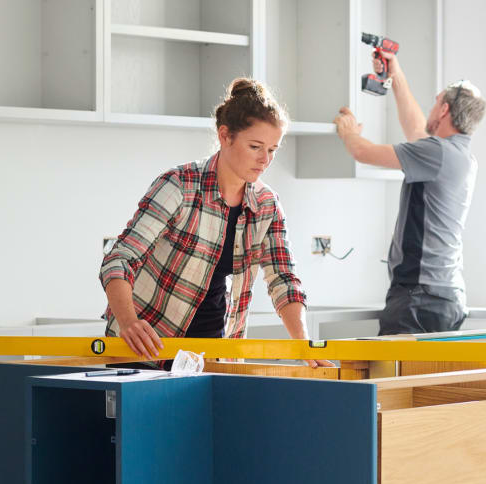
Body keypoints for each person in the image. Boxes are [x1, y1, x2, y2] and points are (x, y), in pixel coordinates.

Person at [100, 78, 332, 368]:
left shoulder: (266, 205)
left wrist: (305, 347)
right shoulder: (179, 186)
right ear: (225, 136)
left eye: (273, 150)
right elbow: (119, 260)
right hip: (145, 349)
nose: (265, 160)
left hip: (211, 355)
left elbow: (283, 281)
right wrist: (129, 323)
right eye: (256, 146)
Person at [333, 52, 486, 335]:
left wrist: (348, 131)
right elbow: (416, 129)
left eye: (435, 103)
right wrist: (397, 75)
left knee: (393, 377)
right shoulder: (457, 155)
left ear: (444, 111)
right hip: (443, 295)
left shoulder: (436, 152)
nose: (431, 109)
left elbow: (363, 152)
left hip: (419, 297)